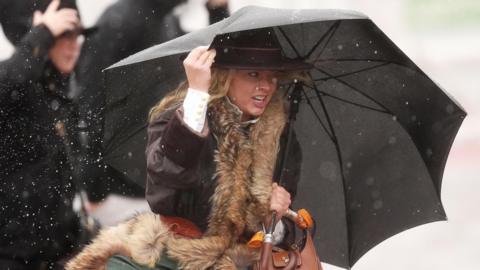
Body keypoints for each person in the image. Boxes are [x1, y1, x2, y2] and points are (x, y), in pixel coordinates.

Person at [66, 28, 309, 270]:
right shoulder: (181, 116)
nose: (266, 86)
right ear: (224, 76)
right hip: (172, 252)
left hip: (240, 260)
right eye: (254, 74)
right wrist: (197, 95)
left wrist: (273, 221)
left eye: (273, 76)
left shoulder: (281, 137)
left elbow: (291, 232)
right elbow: (165, 184)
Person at [74, 0, 230, 203]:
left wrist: (217, 11)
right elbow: (89, 100)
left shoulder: (167, 20)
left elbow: (215, 64)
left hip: (159, 184)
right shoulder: (121, 20)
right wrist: (94, 186)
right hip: (120, 192)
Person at [0, 0, 99, 269]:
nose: (74, 44)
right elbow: (12, 81)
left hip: (58, 253)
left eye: (77, 35)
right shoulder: (13, 88)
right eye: (64, 35)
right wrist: (41, 34)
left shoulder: (58, 90)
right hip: (13, 257)